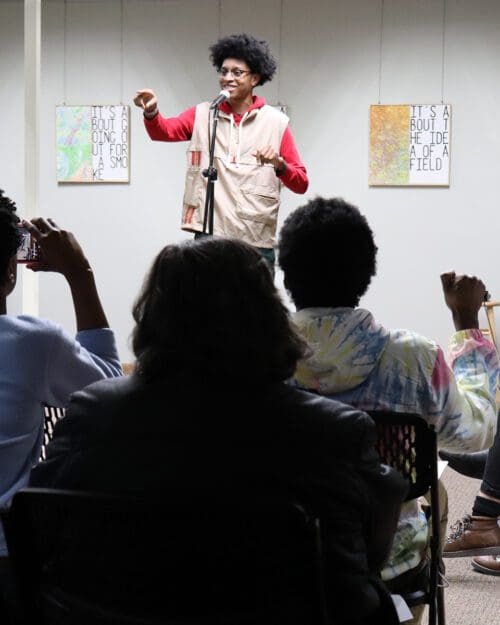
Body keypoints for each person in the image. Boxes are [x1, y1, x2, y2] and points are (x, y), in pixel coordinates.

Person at [30, 236, 406, 625]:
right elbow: (372, 548)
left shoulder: (89, 415)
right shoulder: (333, 433)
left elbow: (42, 525)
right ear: (269, 317)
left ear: (153, 316)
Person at [278, 196, 500, 623]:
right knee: (435, 496)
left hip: (282, 551)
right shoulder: (414, 357)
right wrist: (467, 326)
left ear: (286, 273)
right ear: (367, 271)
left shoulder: (259, 356)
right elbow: (476, 432)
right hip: (387, 561)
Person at [0, 189, 122, 622]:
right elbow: (109, 391)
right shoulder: (32, 342)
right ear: (10, 270)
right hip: (9, 566)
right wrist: (79, 273)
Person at [133, 33, 308, 272]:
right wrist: (152, 113)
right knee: (206, 308)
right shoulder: (205, 113)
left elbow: (301, 183)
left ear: (255, 78)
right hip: (210, 238)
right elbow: (164, 131)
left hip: (254, 242)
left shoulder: (276, 123)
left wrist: (280, 165)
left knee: (256, 309)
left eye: (237, 72)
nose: (227, 78)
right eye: (224, 71)